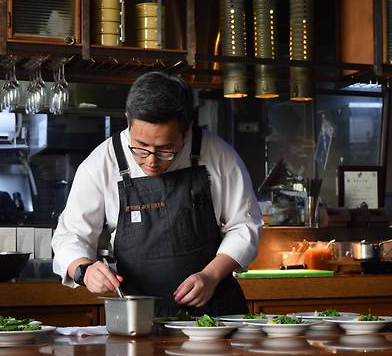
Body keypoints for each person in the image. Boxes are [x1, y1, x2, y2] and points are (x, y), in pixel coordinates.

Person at [52, 72, 263, 317]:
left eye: (165, 150)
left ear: (186, 130)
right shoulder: (102, 163)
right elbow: (70, 235)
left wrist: (211, 275)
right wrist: (84, 270)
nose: (151, 161)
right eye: (140, 148)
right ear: (128, 121)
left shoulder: (218, 155)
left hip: (215, 311)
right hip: (138, 315)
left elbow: (245, 225)